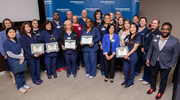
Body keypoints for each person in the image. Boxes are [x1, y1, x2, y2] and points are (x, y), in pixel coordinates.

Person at [146, 22, 179, 99]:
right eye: (163, 29)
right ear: (161, 29)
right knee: (153, 76)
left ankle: (161, 91)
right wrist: (148, 58)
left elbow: (175, 54)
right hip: (154, 61)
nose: (164, 31)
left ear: (170, 30)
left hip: (166, 64)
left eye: (167, 29)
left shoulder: (175, 41)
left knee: (163, 79)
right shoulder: (155, 37)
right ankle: (153, 87)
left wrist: (171, 65)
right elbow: (151, 49)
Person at [4, 27, 30, 94]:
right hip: (13, 61)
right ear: (7, 34)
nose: (12, 33)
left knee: (22, 72)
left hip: (21, 59)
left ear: (15, 33)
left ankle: (23, 84)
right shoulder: (6, 43)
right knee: (17, 75)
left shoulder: (18, 40)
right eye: (10, 32)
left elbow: (22, 49)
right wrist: (20, 57)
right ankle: (19, 87)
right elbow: (9, 54)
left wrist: (22, 58)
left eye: (13, 32)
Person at [140, 19, 161, 85]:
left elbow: (154, 45)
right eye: (152, 23)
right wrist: (142, 47)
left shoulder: (158, 33)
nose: (153, 24)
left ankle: (148, 79)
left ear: (158, 24)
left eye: (155, 23)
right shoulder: (149, 31)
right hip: (144, 50)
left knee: (148, 65)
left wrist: (145, 49)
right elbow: (143, 39)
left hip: (150, 52)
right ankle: (144, 77)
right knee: (145, 65)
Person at [0, 18, 21, 84]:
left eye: (9, 23)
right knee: (10, 66)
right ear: (4, 25)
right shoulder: (1, 33)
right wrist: (4, 54)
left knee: (18, 65)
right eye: (6, 23)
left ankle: (19, 78)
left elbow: (20, 41)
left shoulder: (17, 31)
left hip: (17, 52)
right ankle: (13, 77)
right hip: (8, 53)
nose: (8, 24)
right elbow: (1, 44)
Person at [121, 23, 141, 88]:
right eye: (131, 27)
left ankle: (130, 83)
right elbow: (124, 44)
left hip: (133, 57)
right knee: (126, 71)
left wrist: (127, 55)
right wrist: (122, 53)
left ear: (136, 29)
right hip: (125, 56)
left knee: (132, 71)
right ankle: (126, 81)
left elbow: (135, 48)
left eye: (134, 27)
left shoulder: (138, 37)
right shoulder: (127, 36)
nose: (132, 29)